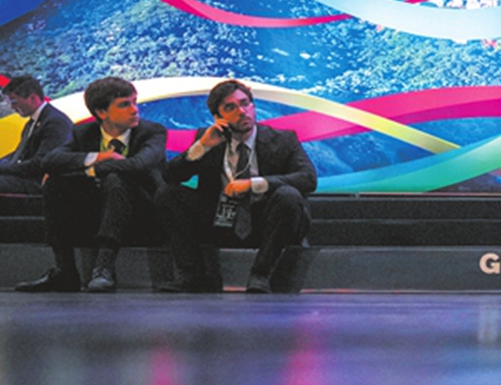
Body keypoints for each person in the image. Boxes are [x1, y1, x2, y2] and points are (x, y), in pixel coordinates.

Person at [161, 79, 316, 293]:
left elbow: (308, 178)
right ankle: (192, 274)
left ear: (253, 106)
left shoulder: (283, 139)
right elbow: (169, 176)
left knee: (288, 195)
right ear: (218, 117)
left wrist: (253, 184)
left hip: (266, 221)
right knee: (169, 194)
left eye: (245, 104)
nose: (241, 112)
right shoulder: (207, 140)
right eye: (230, 108)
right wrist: (202, 146)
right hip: (221, 219)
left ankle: (261, 275)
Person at [29, 76, 167, 293]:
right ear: (101, 112)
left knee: (115, 179)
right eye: (124, 104)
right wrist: (97, 157)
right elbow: (49, 161)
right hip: (98, 212)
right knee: (55, 183)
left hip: (144, 213)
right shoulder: (83, 133)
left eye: (134, 102)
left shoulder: (152, 132)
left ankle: (103, 267)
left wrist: (92, 168)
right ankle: (65, 271)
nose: (134, 110)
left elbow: (139, 164)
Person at [0, 75, 76, 195]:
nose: (12, 107)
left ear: (33, 98)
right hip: (27, 178)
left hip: (40, 182)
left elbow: (40, 164)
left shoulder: (55, 122)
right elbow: (20, 154)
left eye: (14, 102)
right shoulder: (32, 123)